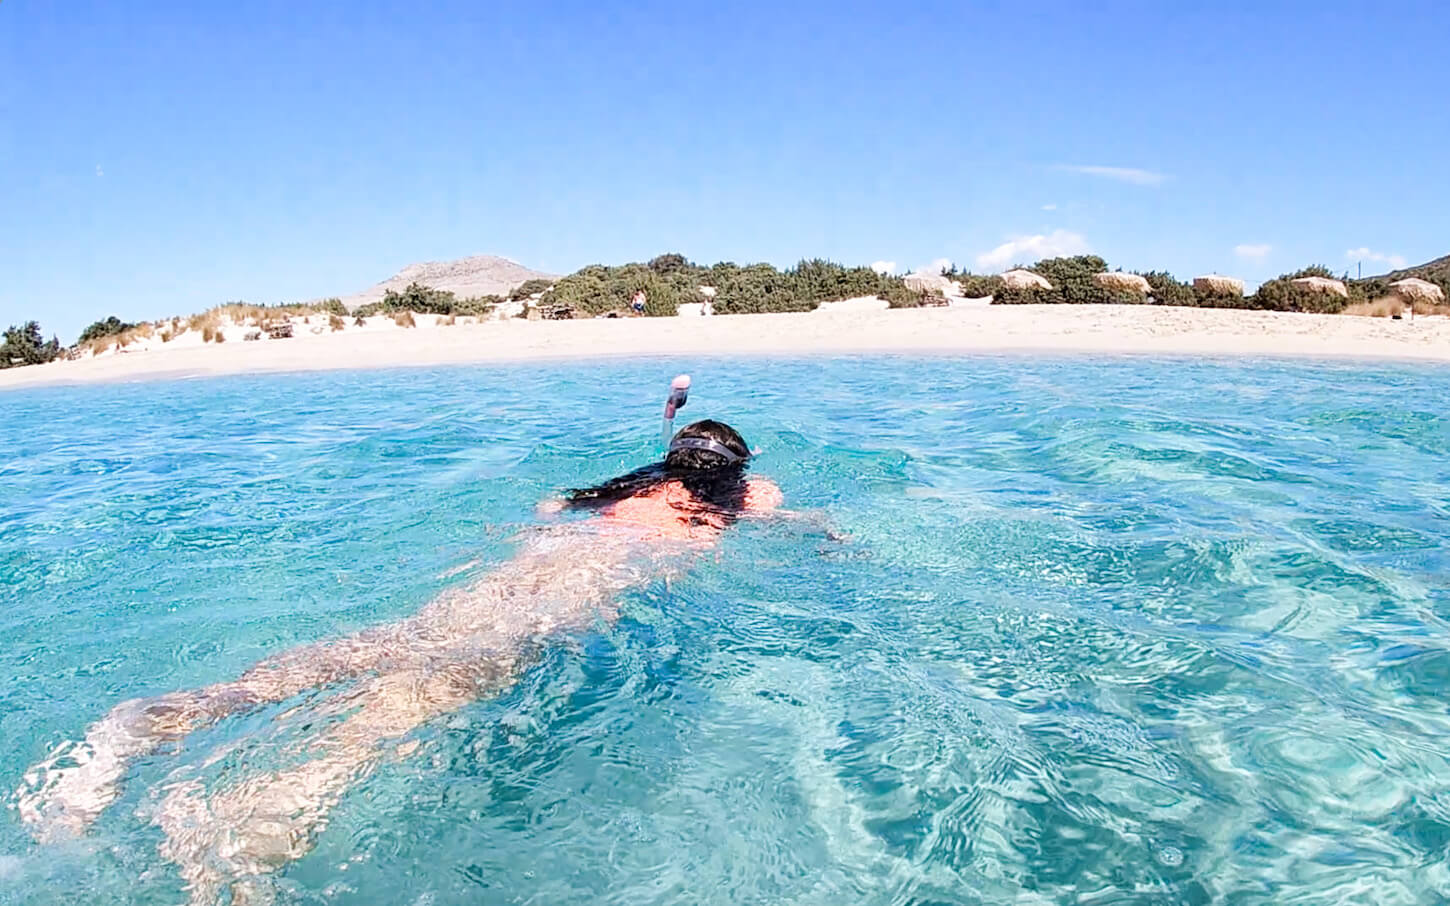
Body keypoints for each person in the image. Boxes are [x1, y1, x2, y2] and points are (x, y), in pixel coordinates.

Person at [17, 418, 781, 903]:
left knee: (390, 646)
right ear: (734, 472)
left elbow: (549, 506)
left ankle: (170, 714)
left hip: (523, 570)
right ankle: (259, 820)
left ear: (673, 456)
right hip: (574, 595)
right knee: (431, 691)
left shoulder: (623, 490)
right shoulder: (745, 500)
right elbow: (782, 515)